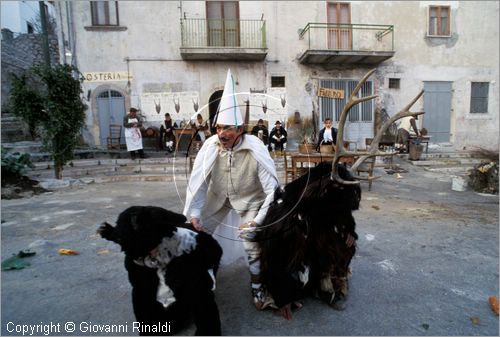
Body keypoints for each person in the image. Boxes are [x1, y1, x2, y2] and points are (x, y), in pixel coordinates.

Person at [183, 69, 280, 312]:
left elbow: (272, 190)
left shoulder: (255, 147)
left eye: (227, 128)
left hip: (250, 201)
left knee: (252, 243)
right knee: (194, 235)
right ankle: (201, 281)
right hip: (217, 200)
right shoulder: (210, 146)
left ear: (239, 129)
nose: (221, 134)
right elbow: (200, 182)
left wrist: (257, 221)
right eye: (218, 128)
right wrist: (195, 212)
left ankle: (258, 287)